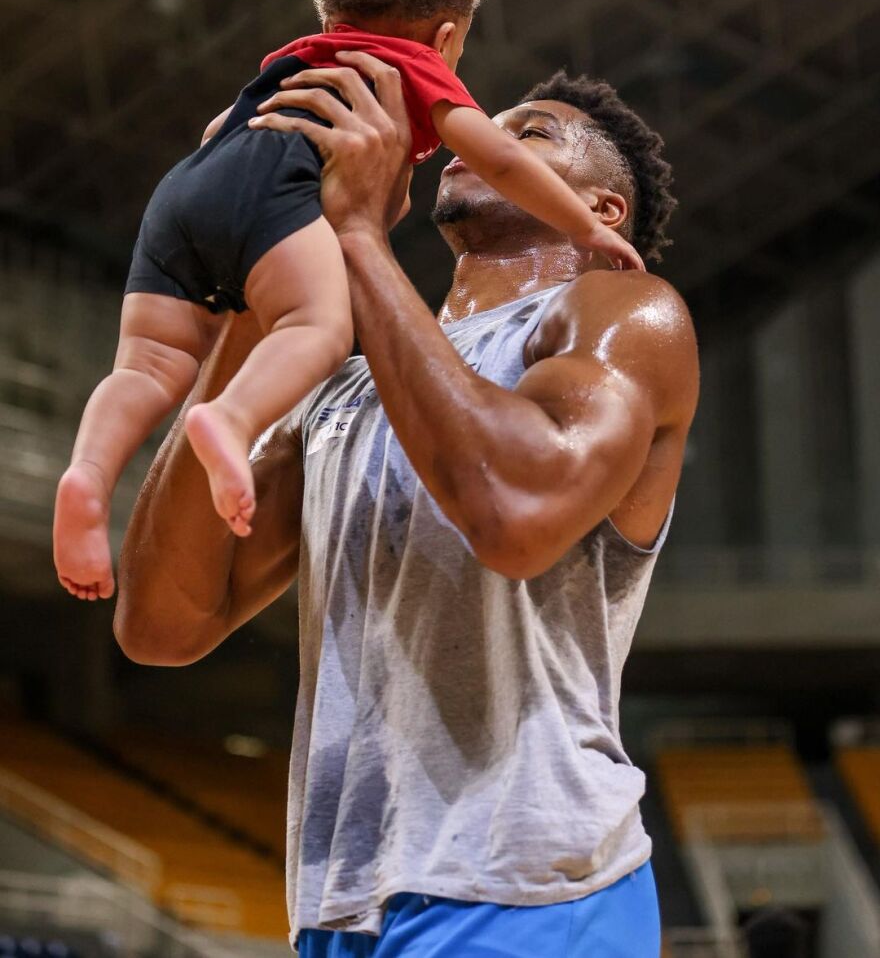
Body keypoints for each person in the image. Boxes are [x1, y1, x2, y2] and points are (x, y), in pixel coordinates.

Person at [114, 55, 699, 958]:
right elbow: (161, 621)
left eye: (528, 132)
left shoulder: (624, 312)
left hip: (531, 888)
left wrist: (352, 232)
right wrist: (250, 276)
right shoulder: (347, 391)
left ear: (602, 209)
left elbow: (514, 516)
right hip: (343, 906)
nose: (479, 132)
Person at [52, 0, 644, 603]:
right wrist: (586, 230)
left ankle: (87, 471)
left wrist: (284, 219)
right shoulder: (417, 67)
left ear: (330, 21)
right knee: (318, 329)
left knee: (148, 364)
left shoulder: (300, 58)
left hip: (189, 185)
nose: (496, 139)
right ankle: (233, 419)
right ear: (448, 37)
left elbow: (222, 130)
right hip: (272, 193)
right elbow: (502, 165)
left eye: (535, 131)